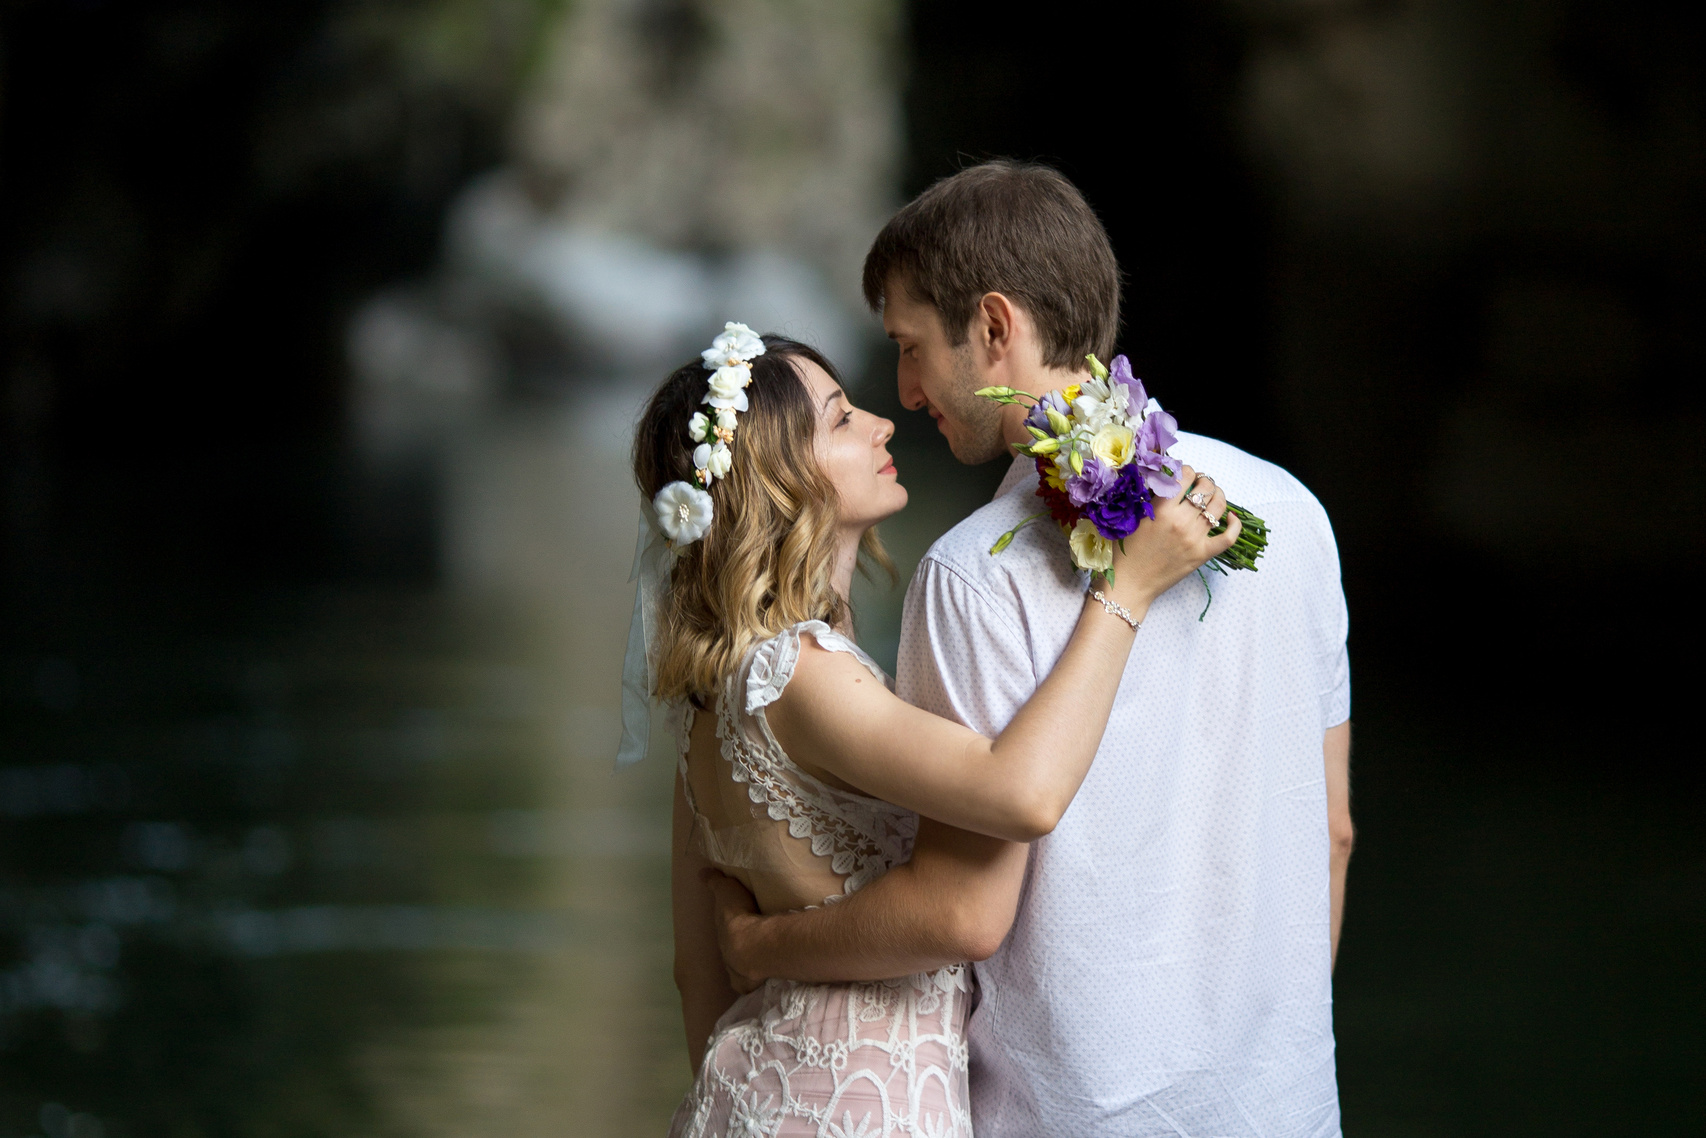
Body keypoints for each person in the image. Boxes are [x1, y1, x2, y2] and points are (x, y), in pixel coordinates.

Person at [703, 162, 1356, 1137]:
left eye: (911, 346)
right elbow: (1333, 833)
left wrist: (759, 944)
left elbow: (965, 909)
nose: (906, 388)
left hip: (1076, 1113)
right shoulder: (1290, 513)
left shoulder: (973, 573)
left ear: (996, 327)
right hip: (1284, 1105)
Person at [630, 323, 1236, 1137]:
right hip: (862, 1109)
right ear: (780, 479)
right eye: (842, 419)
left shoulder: (709, 696)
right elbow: (1018, 793)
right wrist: (1124, 592)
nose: (882, 423)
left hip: (749, 1100)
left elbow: (694, 973)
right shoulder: (799, 673)